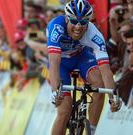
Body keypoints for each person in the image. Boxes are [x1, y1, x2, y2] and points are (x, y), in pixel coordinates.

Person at [46, 0, 122, 135]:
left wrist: (112, 96)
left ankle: (91, 130)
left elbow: (105, 69)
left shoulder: (94, 33)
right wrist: (55, 91)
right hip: (61, 62)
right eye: (74, 21)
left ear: (89, 22)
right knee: (64, 110)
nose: (78, 26)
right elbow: (54, 63)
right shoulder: (56, 27)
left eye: (83, 22)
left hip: (81, 56)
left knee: (99, 81)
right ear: (66, 18)